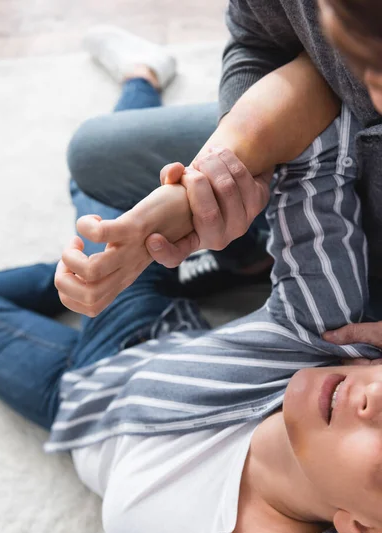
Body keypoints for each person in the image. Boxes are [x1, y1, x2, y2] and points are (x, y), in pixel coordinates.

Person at [0, 44, 382, 533]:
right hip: (140, 338)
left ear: (370, 532)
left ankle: (220, 260)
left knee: (93, 221)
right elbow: (321, 135)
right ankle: (142, 76)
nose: (378, 397)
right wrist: (189, 199)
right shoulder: (327, 334)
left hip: (74, 406)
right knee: (104, 211)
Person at [58, 0, 382, 346]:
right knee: (94, 154)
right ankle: (250, 257)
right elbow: (261, 41)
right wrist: (213, 176)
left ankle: (141, 78)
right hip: (317, 131)